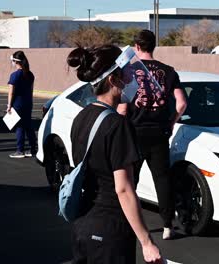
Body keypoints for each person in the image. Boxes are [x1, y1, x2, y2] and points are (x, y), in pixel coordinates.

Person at [67, 44, 161, 263]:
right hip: (110, 230)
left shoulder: (81, 117)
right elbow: (123, 189)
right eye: (127, 73)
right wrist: (147, 242)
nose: (132, 78)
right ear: (112, 80)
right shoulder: (117, 125)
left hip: (83, 223)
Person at [117, 29, 187, 240]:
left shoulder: (128, 70)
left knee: (131, 180)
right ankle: (167, 226)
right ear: (153, 45)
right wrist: (171, 123)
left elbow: (122, 108)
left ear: (136, 47)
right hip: (159, 133)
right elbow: (182, 103)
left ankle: (128, 224)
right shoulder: (169, 71)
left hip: (133, 132)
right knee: (162, 179)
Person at [7, 51, 37, 158]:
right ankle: (33, 149)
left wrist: (9, 106)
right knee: (28, 126)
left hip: (17, 104)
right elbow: (31, 90)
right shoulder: (30, 74)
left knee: (19, 127)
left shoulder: (14, 75)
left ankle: (20, 151)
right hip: (28, 103)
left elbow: (11, 92)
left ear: (15, 61)